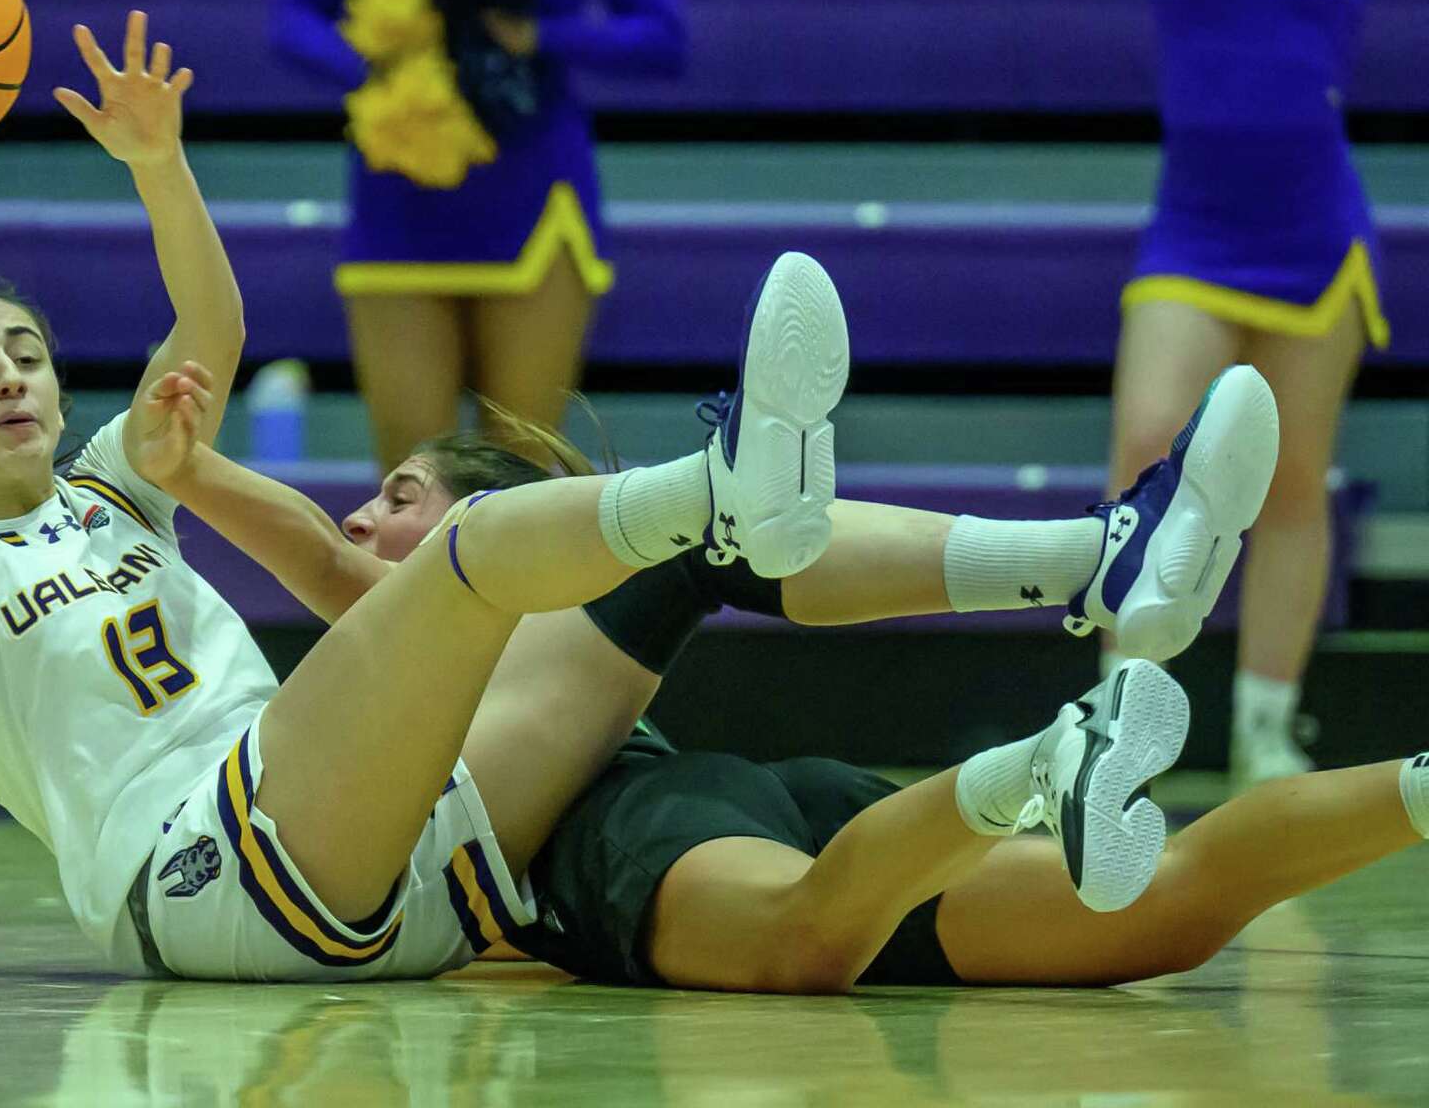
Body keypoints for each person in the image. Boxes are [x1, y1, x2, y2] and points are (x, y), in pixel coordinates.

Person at [0, 11, 957, 982]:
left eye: (24, 349)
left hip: (378, 873)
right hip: (198, 870)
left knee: (653, 572)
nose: (10, 373)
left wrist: (158, 163)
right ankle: (719, 479)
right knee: (465, 557)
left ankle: (1066, 568)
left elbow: (213, 330)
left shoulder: (116, 487)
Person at [167, 375, 1429, 993]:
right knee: (1160, 914)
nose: (362, 515)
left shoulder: (482, 586)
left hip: (628, 832)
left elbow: (333, 562)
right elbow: (341, 562)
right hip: (752, 798)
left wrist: (176, 461)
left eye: (401, 494)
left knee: (800, 936)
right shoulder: (436, 640)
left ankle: (1056, 703)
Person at [1101, 0, 1418, 787]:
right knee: (1149, 445)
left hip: (1315, 239)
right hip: (1191, 232)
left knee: (1291, 485)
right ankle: (1118, 718)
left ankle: (1265, 730)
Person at [272, 0, 686, 470]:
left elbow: (663, 37)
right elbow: (294, 18)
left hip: (537, 204)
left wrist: (541, 35)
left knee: (518, 472)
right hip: (399, 206)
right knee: (414, 479)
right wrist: (388, 73)